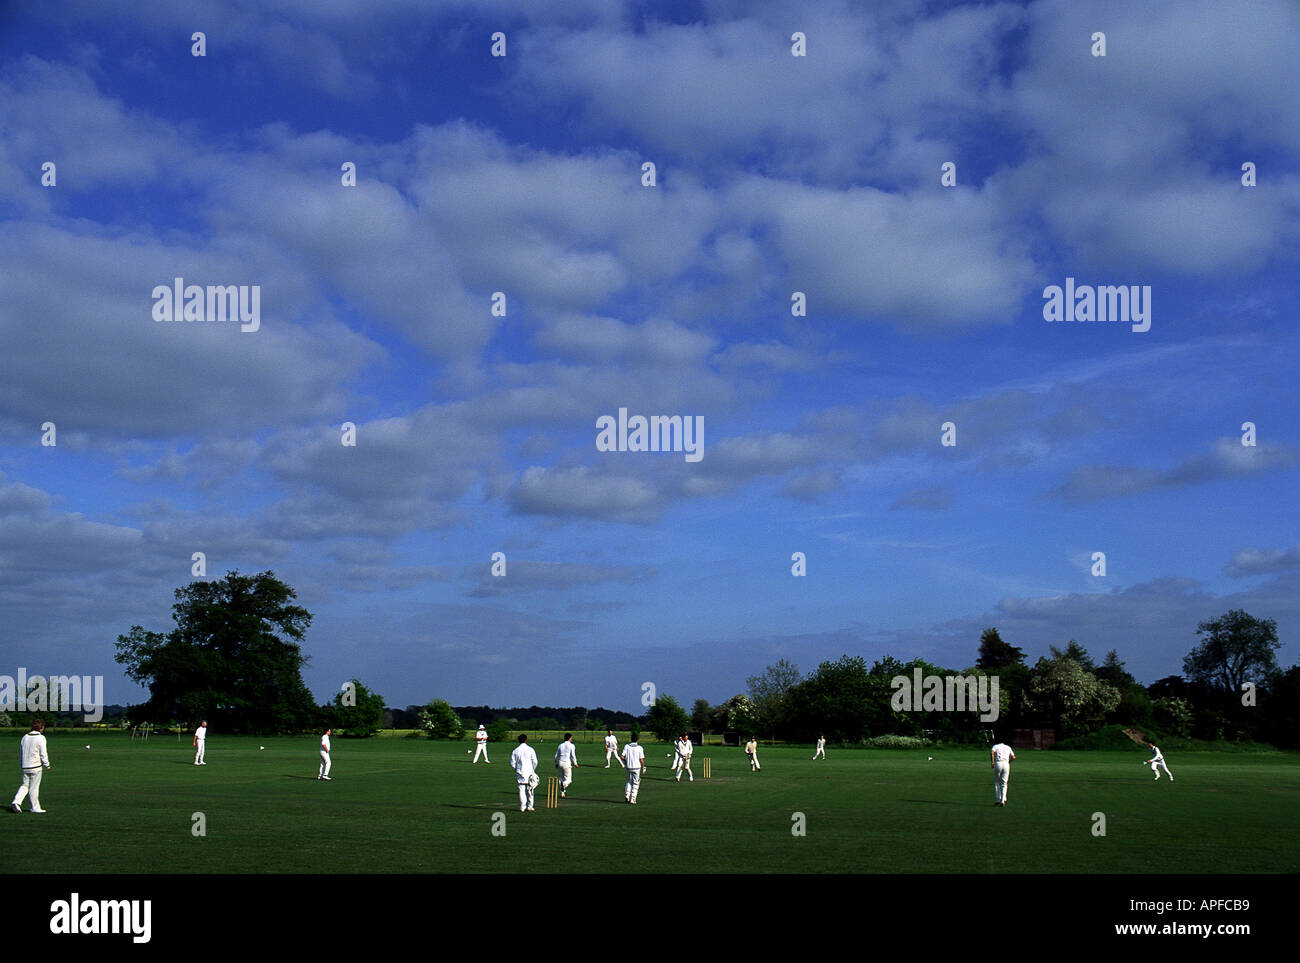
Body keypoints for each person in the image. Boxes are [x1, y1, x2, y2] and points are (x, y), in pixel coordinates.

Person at [9, 718, 50, 814]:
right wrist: (47, 764)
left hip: (25, 766)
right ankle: (35, 808)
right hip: (35, 766)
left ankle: (16, 802)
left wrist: (22, 764)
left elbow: (22, 752)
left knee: (25, 785)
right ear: (41, 728)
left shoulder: (25, 737)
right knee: (34, 788)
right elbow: (43, 753)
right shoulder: (41, 738)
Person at [510, 733, 539, 812]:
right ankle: (530, 806)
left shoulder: (515, 750)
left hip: (520, 772)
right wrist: (533, 769)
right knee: (530, 789)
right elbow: (535, 761)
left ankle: (522, 807)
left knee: (521, 789)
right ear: (526, 740)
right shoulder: (530, 749)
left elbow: (512, 763)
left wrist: (516, 769)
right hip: (530, 772)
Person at [621, 734, 646, 804]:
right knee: (635, 783)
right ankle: (633, 799)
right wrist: (643, 766)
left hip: (629, 767)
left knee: (629, 781)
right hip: (637, 768)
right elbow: (641, 759)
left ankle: (627, 795)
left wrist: (626, 762)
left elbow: (622, 756)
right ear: (637, 739)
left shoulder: (627, 746)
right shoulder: (640, 748)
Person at [990, 740, 1015, 806]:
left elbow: (992, 753)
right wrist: (1009, 762)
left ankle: (998, 799)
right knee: (1004, 783)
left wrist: (992, 762)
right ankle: (1003, 800)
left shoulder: (995, 746)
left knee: (997, 782)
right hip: (1006, 764)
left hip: (998, 763)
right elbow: (1013, 757)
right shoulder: (1008, 747)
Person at [554, 732, 579, 797]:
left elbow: (556, 755)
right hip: (567, 763)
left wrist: (556, 763)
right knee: (569, 780)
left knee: (561, 778)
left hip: (560, 763)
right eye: (571, 738)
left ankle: (562, 792)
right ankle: (564, 785)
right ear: (569, 738)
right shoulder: (572, 745)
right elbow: (573, 755)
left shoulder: (560, 745)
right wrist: (575, 763)